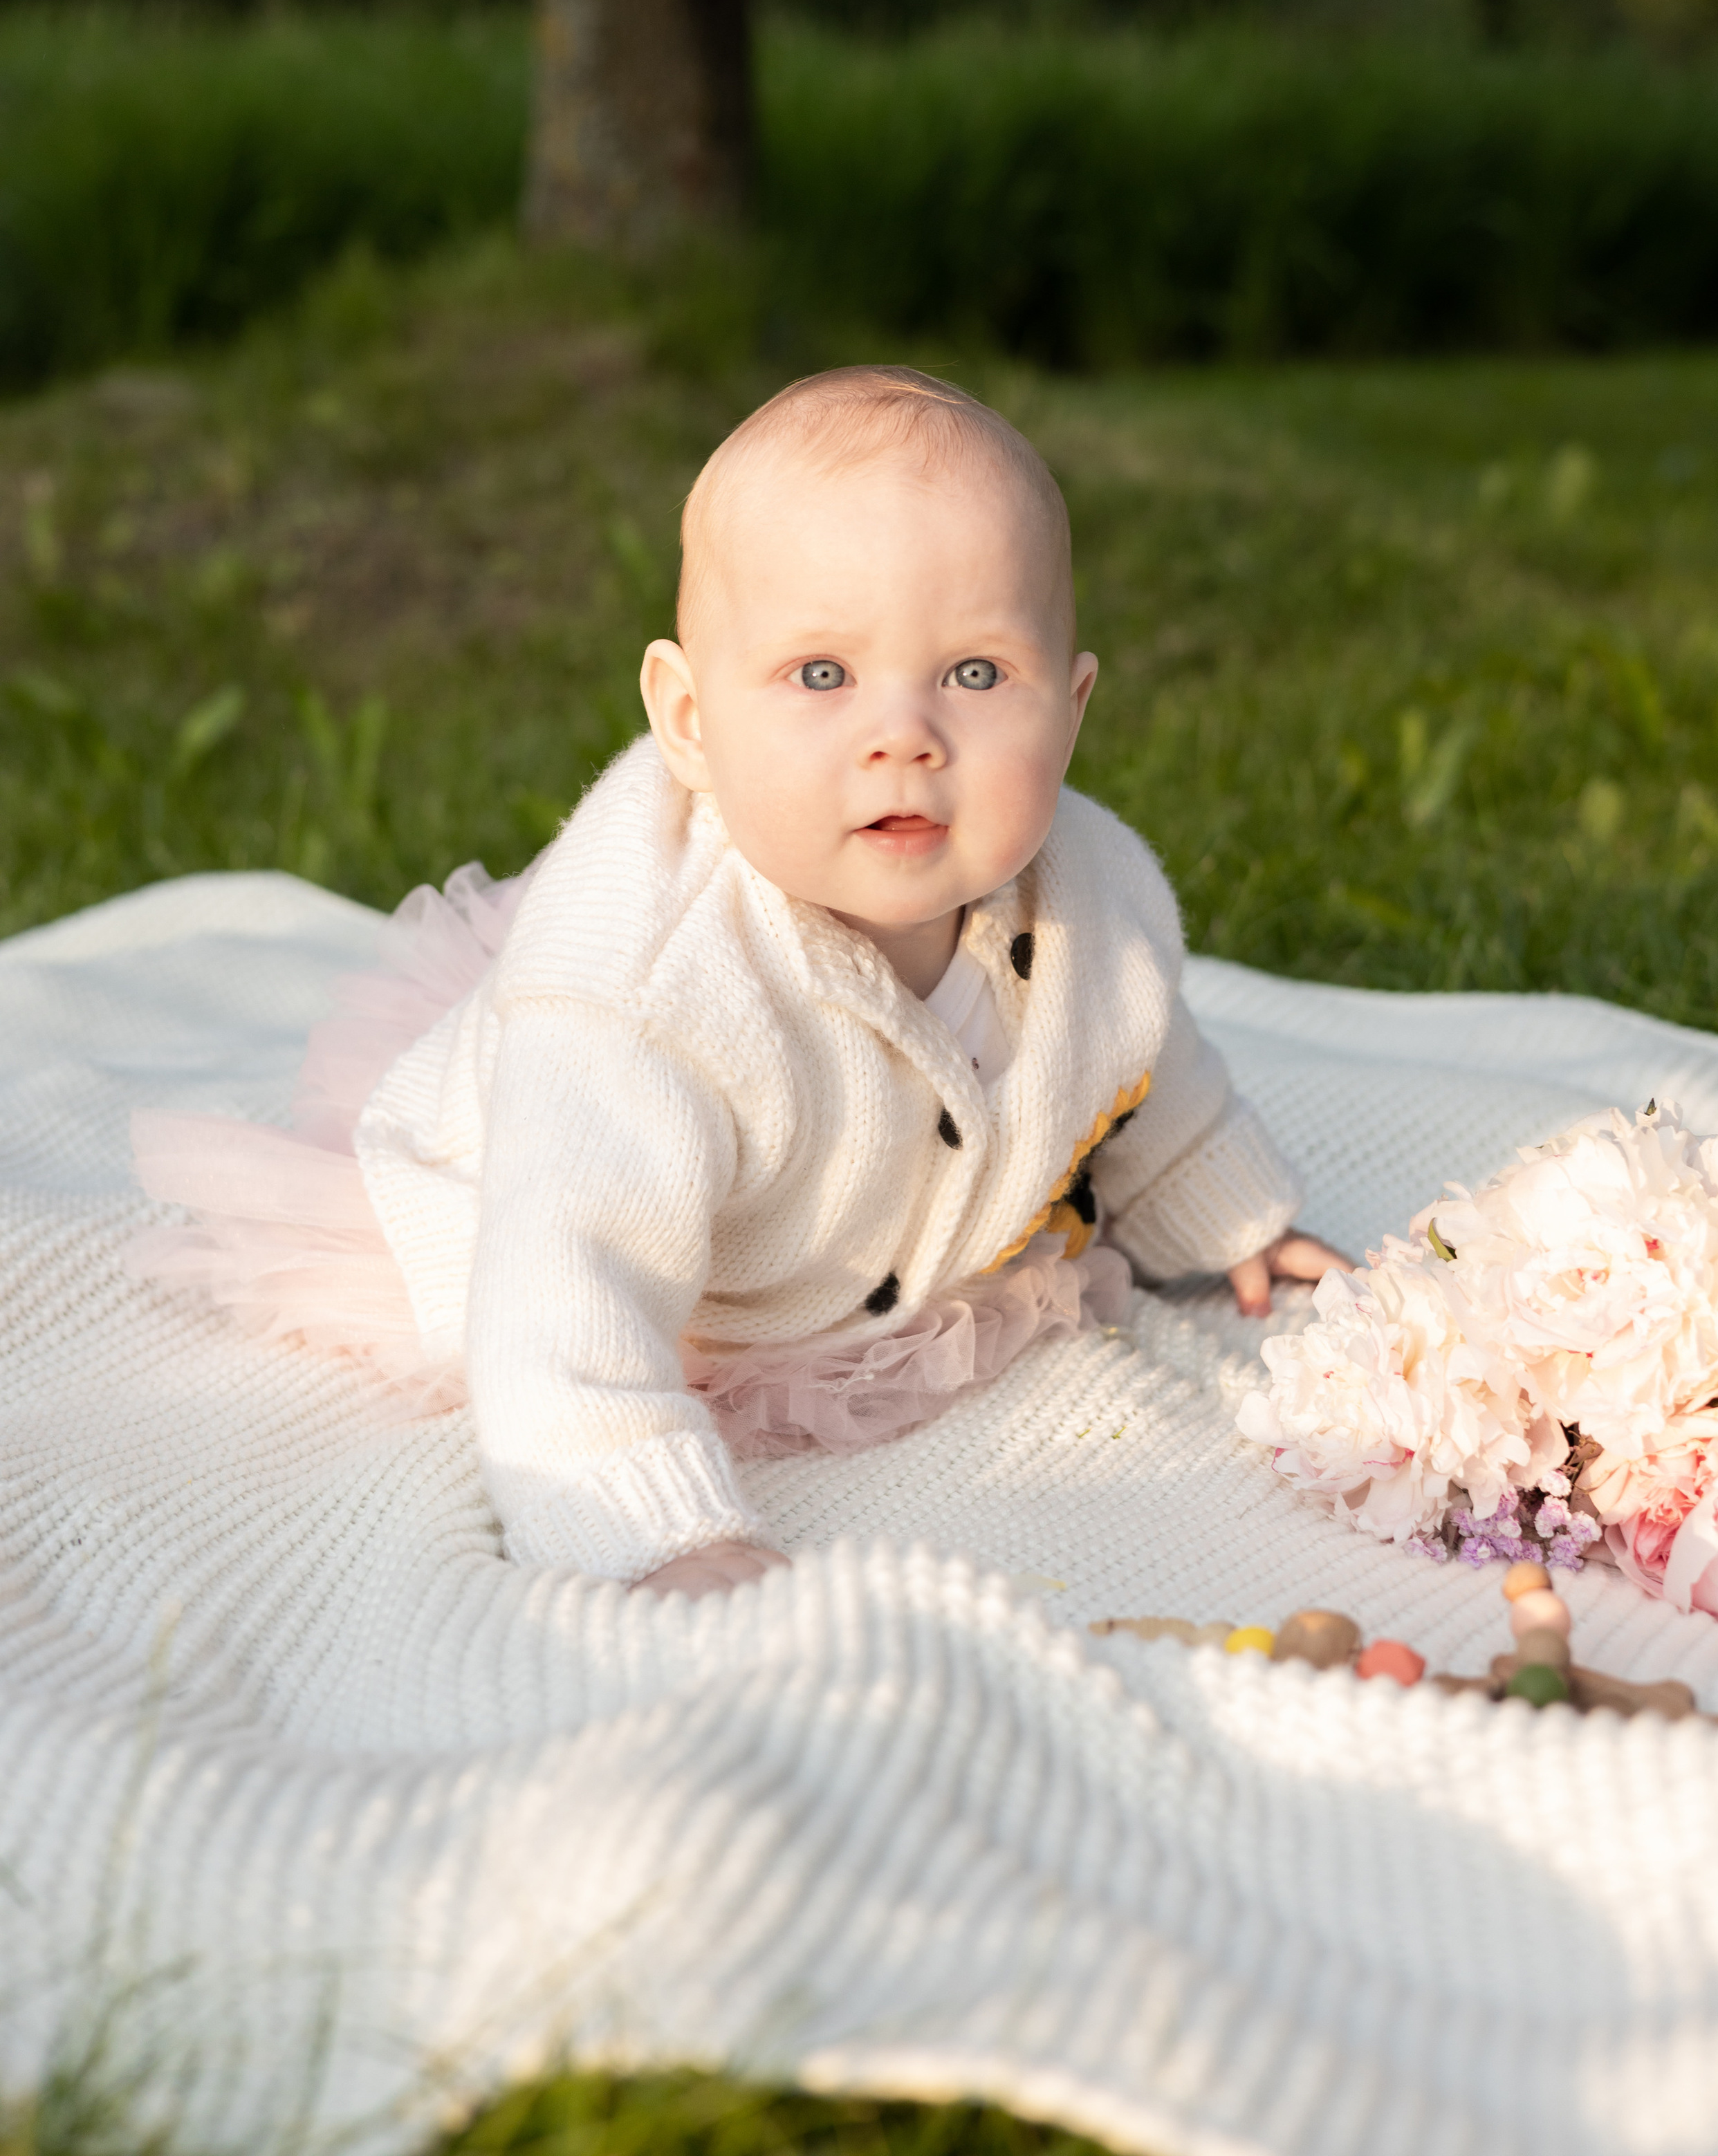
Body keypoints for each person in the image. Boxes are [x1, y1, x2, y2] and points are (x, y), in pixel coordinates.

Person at [133, 367, 1346, 1600]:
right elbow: (572, 1270)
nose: (906, 736)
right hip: (578, 1220)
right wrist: (646, 1519)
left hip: (846, 1226)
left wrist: (1229, 1216)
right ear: (691, 717)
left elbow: (1139, 1058)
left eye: (975, 674)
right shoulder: (649, 998)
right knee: (571, 1221)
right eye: (823, 674)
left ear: (1071, 708)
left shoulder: (1099, 896)